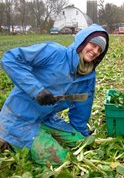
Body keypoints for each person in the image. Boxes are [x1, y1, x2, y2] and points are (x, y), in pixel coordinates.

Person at [0, 24, 109, 165]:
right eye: (93, 45)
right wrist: (36, 90)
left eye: (99, 50)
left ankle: (41, 135)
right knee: (61, 159)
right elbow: (10, 59)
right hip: (18, 119)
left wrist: (81, 134)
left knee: (81, 143)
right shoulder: (55, 52)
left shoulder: (88, 76)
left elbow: (82, 109)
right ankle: (7, 137)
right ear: (83, 41)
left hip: (46, 119)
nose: (95, 51)